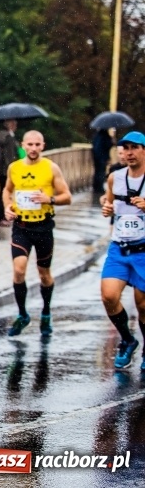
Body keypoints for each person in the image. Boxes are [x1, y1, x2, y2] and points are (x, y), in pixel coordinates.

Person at [1, 130, 72, 337]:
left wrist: (48, 199)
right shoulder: (14, 167)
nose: (33, 148)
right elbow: (7, 190)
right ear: (23, 145)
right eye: (29, 144)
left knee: (44, 274)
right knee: (19, 270)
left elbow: (67, 196)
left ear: (43, 146)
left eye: (37, 145)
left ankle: (46, 312)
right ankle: (23, 314)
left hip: (43, 227)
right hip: (21, 227)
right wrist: (7, 207)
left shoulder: (51, 168)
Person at [99, 131, 145, 370]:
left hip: (144, 251)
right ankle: (127, 340)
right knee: (108, 296)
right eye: (125, 148)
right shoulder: (115, 177)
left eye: (134, 147)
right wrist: (106, 209)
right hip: (119, 246)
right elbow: (108, 203)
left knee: (143, 305)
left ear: (144, 150)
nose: (129, 152)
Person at [0, 119, 20, 226]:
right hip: (4, 170)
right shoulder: (8, 137)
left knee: (2, 191)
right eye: (13, 124)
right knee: (4, 192)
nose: (15, 126)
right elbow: (9, 156)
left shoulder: (0, 134)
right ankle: (0, 217)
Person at [91, 127, 115, 193]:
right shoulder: (104, 136)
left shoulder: (97, 135)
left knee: (97, 172)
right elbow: (107, 145)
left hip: (97, 157)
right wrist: (112, 139)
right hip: (102, 157)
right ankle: (99, 188)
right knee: (101, 172)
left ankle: (96, 187)